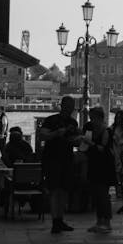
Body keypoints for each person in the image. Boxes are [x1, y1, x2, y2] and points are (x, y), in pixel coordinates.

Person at [39, 95, 82, 234]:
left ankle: (60, 219)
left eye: (72, 106)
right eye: (68, 106)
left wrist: (79, 139)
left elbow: (74, 142)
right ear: (62, 106)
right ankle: (54, 221)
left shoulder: (73, 123)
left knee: (63, 190)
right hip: (52, 159)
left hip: (67, 159)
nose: (70, 109)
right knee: (54, 190)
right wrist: (57, 133)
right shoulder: (51, 120)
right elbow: (43, 136)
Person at [82, 106, 116, 233]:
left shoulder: (106, 131)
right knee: (96, 194)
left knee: (103, 194)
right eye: (91, 118)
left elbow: (103, 149)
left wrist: (90, 144)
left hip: (104, 166)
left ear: (99, 118)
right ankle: (99, 221)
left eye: (93, 118)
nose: (91, 121)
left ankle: (106, 222)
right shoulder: (90, 129)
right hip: (94, 165)